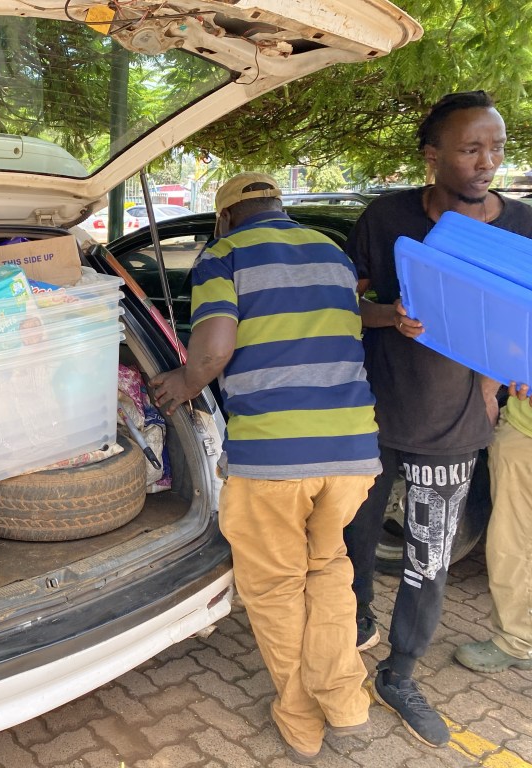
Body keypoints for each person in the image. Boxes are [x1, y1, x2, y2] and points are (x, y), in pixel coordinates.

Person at [152, 172, 380, 764]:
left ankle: (300, 719)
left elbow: (213, 349)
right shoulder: (331, 252)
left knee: (276, 586)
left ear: (224, 217)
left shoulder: (224, 254)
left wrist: (184, 381)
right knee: (328, 567)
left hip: (275, 456)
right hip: (352, 449)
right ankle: (346, 702)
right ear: (279, 205)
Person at [343, 90, 532, 748]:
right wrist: (388, 315)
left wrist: (512, 371)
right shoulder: (386, 217)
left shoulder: (522, 225)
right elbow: (347, 305)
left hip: (457, 424)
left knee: (428, 561)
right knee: (352, 541)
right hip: (371, 416)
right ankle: (354, 625)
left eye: (496, 149)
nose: (487, 163)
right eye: (470, 149)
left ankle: (400, 674)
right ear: (432, 155)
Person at [454, 384, 532, 673]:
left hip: (525, 436)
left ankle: (517, 641)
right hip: (521, 427)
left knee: (513, 542)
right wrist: (488, 393)